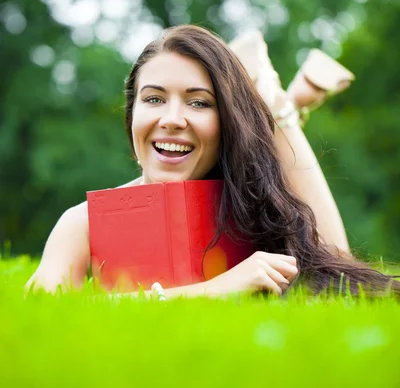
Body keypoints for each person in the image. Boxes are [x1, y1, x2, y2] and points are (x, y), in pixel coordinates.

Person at [26, 25, 396, 298]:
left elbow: (339, 272)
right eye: (154, 99)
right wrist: (217, 288)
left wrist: (279, 120)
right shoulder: (83, 222)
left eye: (199, 102)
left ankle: (275, 106)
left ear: (228, 122)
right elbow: (43, 317)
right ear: (131, 113)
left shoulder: (252, 203)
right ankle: (276, 101)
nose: (171, 118)